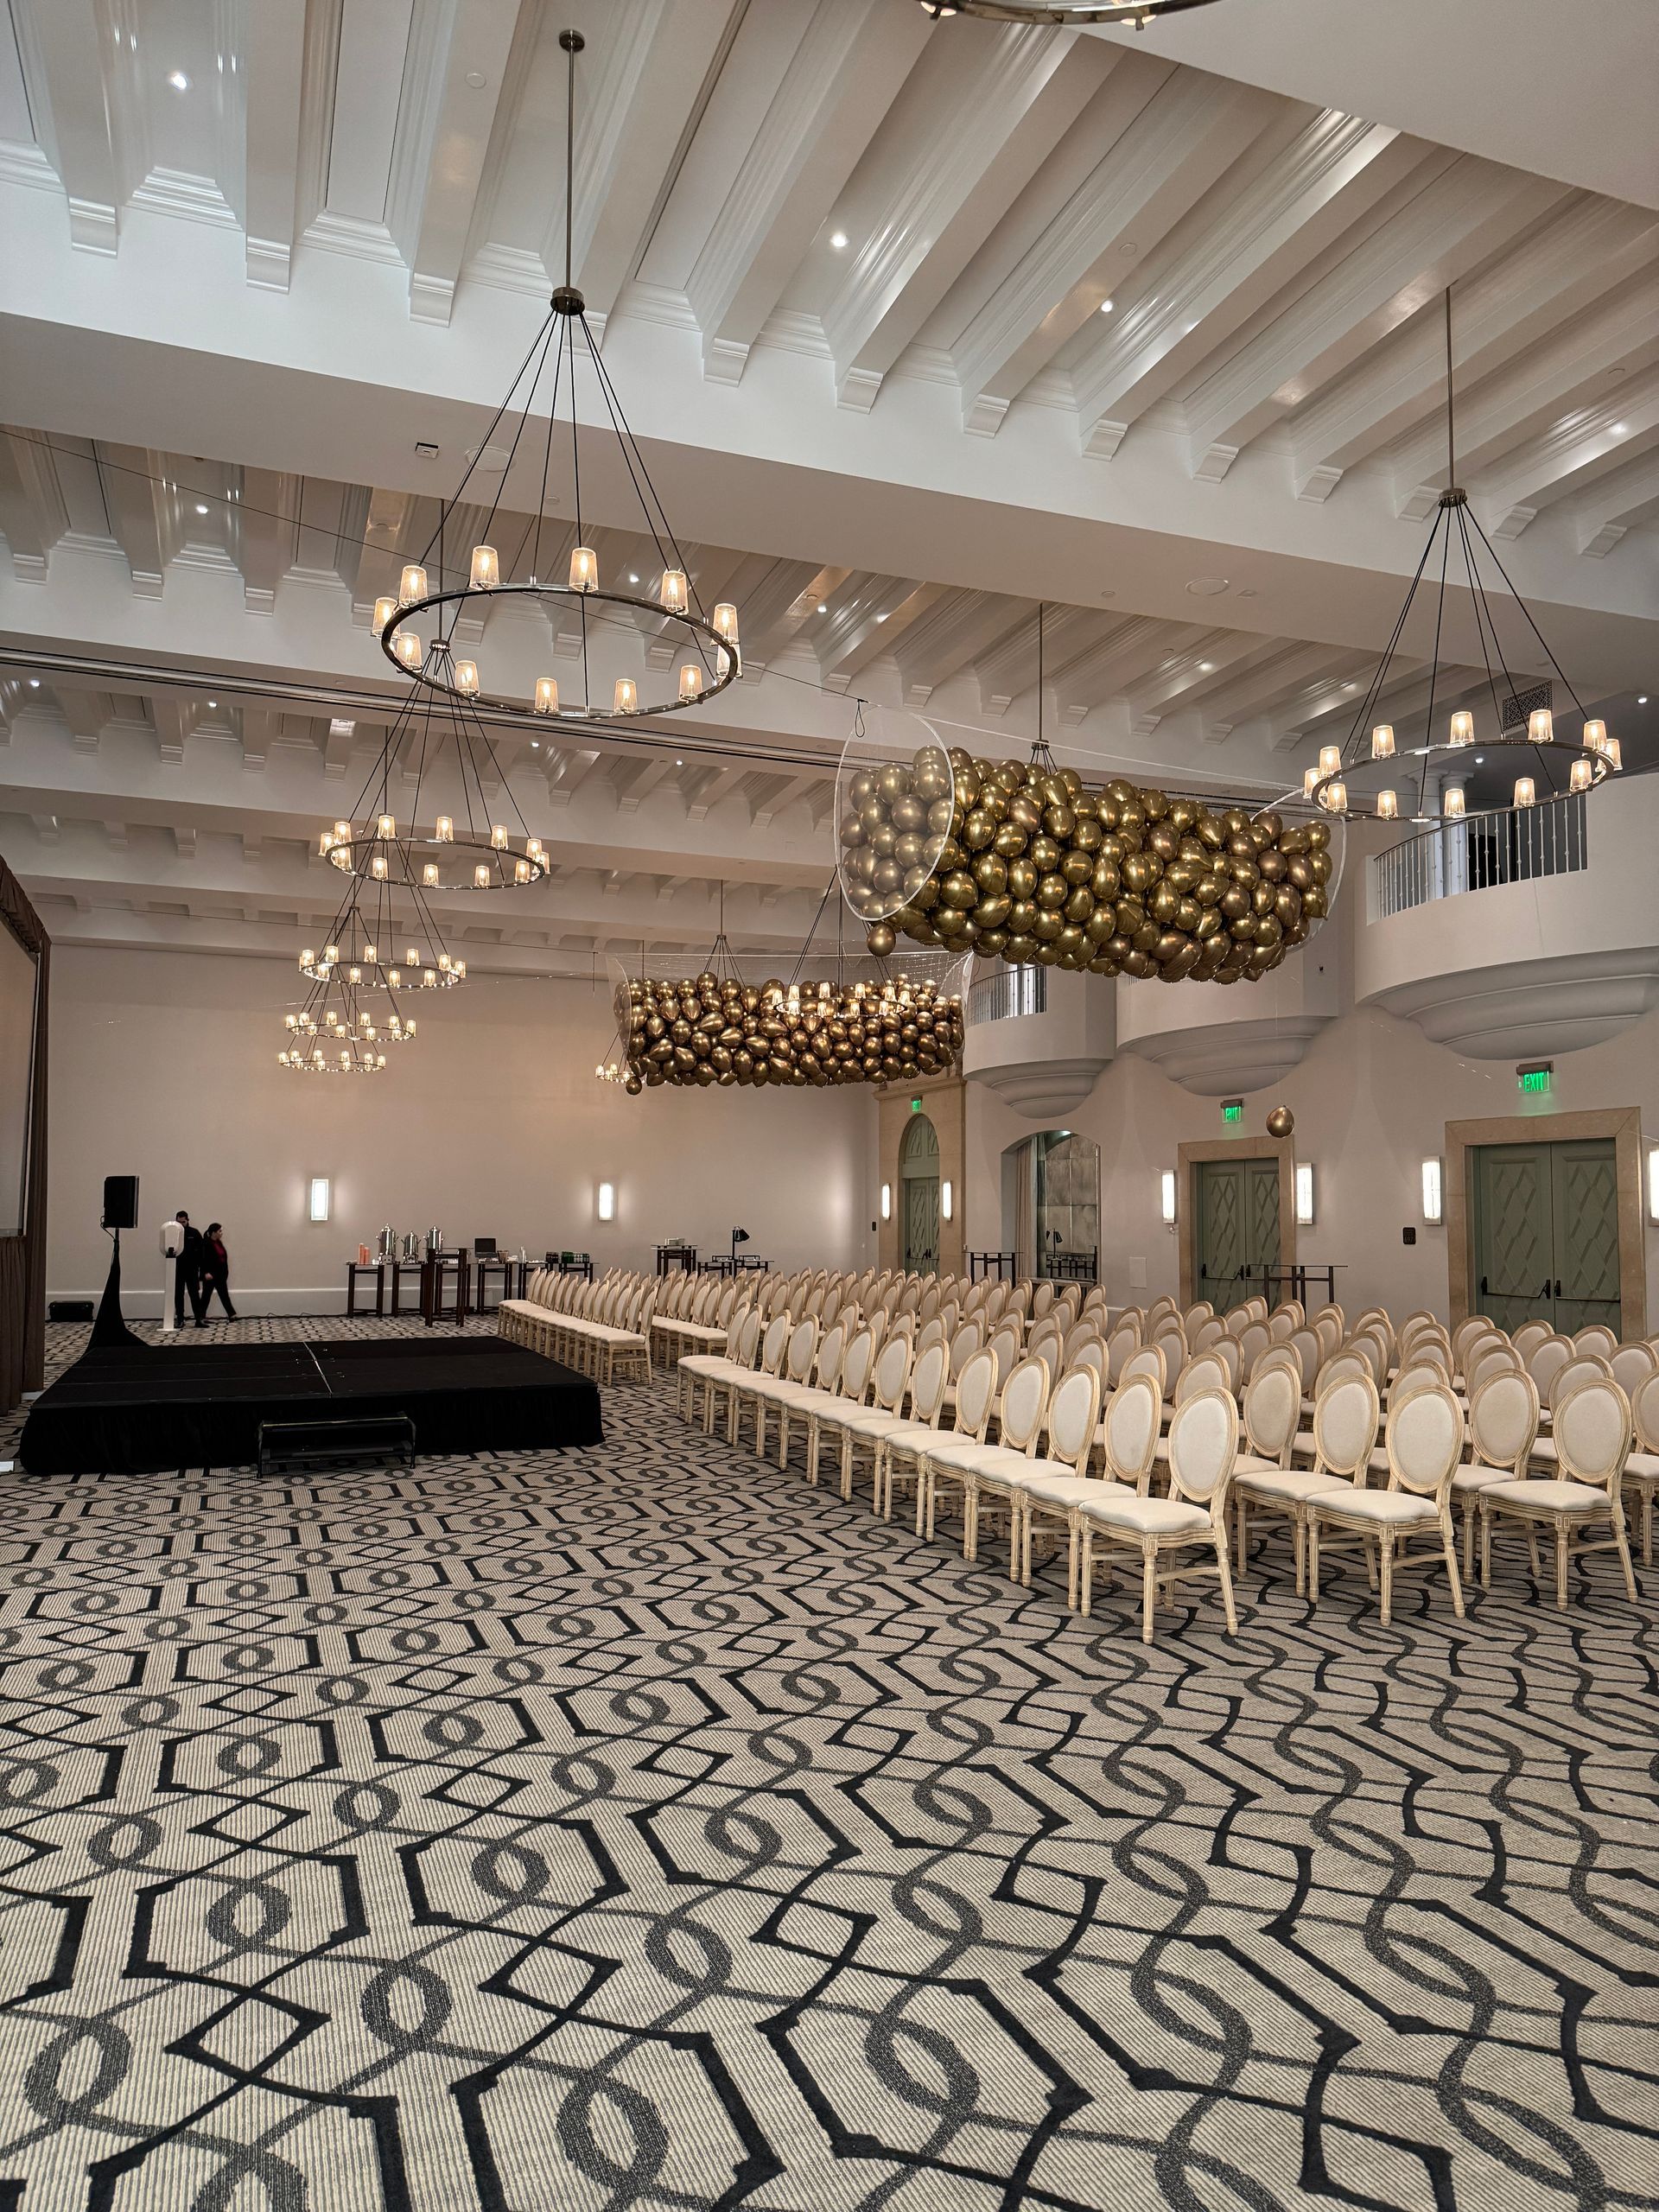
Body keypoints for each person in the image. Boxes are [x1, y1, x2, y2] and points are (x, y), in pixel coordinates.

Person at [173, 1210, 207, 1326]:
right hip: (178, 1269)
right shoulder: (173, 1233)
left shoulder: (194, 1233)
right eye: (179, 1222)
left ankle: (198, 1319)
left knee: (195, 1295)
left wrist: (201, 1269)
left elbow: (202, 1253)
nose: (181, 1224)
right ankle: (180, 1319)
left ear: (187, 1220)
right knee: (178, 1295)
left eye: (183, 1222)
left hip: (192, 1269)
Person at [200, 1223, 237, 1321]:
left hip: (220, 1274)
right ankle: (200, 1317)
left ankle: (232, 1314)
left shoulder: (219, 1243)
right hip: (210, 1275)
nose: (221, 1233)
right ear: (213, 1233)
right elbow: (203, 1260)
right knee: (206, 1296)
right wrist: (205, 1273)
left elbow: (222, 1258)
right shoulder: (206, 1244)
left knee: (224, 1295)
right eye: (219, 1231)